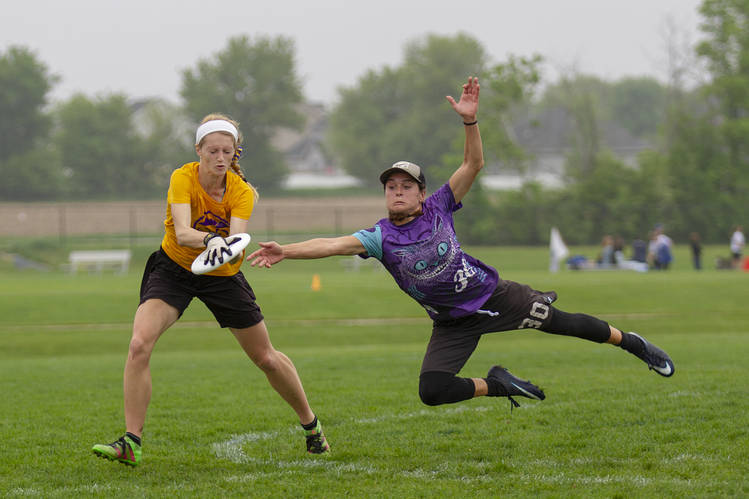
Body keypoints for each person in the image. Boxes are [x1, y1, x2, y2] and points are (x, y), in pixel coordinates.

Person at [247, 77, 674, 412]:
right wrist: (286, 249)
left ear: (421, 193)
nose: (396, 191)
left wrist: (470, 120)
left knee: (571, 325)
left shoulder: (439, 207)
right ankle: (499, 384)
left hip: (495, 296)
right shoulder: (379, 236)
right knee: (432, 391)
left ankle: (636, 344)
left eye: (406, 185)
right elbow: (333, 244)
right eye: (390, 186)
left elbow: (474, 163)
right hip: (451, 322)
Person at [92, 114, 329, 467]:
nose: (220, 157)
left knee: (265, 357)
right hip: (173, 268)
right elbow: (185, 231)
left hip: (221, 275)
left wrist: (220, 243)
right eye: (212, 150)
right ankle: (131, 442)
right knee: (139, 343)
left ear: (235, 154)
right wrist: (211, 238)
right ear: (198, 150)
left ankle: (312, 426)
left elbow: (236, 240)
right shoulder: (182, 177)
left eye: (226, 151)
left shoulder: (242, 192)